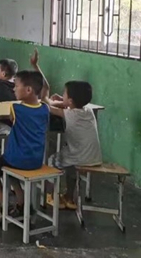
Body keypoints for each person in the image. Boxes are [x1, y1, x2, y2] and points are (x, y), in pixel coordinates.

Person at [31, 50, 101, 210]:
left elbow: (45, 102)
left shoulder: (69, 113)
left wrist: (35, 66)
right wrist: (62, 101)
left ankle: (51, 196)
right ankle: (69, 198)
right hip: (94, 157)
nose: (62, 95)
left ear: (70, 100)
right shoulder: (88, 111)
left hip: (79, 157)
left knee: (52, 160)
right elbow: (65, 106)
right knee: (69, 164)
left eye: (64, 93)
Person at [0, 69, 49, 224]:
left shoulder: (16, 108)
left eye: (17, 86)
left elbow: (12, 119)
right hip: (36, 160)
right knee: (11, 171)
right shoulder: (45, 108)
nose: (14, 89)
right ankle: (21, 203)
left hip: (17, 159)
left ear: (28, 90)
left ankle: (4, 205)